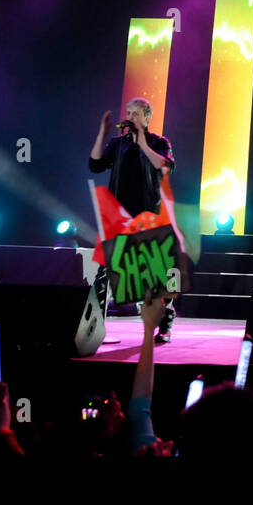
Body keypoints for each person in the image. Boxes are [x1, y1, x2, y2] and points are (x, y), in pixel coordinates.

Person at [89, 97, 177, 342]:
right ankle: (96, 328)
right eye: (128, 112)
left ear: (147, 117)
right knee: (104, 275)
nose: (131, 117)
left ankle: (165, 324)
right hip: (118, 218)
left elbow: (165, 166)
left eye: (136, 113)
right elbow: (95, 165)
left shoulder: (159, 142)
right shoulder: (118, 144)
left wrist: (142, 143)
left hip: (148, 216)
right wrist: (102, 134)